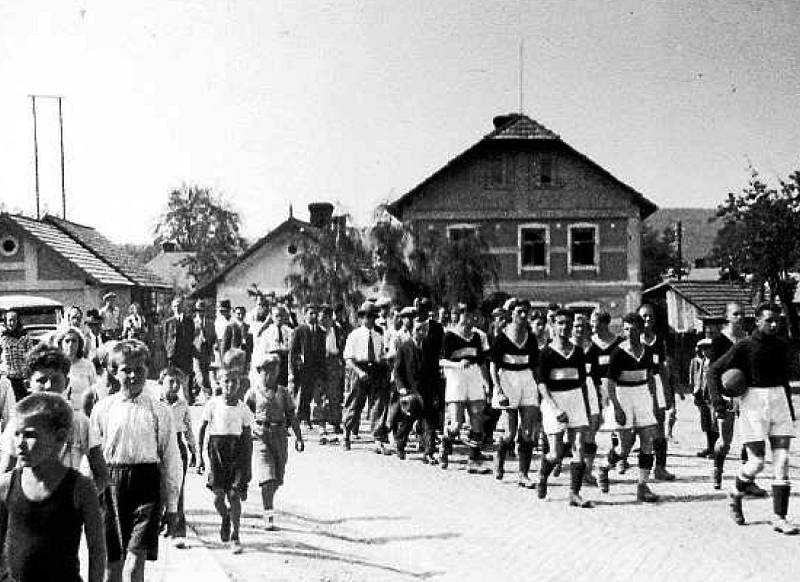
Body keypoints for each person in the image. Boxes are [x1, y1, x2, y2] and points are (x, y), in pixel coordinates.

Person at [89, 339, 182, 582]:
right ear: (113, 371)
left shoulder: (159, 410)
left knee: (135, 564)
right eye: (125, 370)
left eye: (138, 369)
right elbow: (91, 458)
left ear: (148, 370)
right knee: (113, 567)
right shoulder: (102, 409)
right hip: (110, 486)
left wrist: (172, 507)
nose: (132, 376)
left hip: (146, 486)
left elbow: (171, 459)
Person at [707, 303, 798, 534]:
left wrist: (789, 406)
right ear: (757, 321)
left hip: (778, 400)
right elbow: (713, 371)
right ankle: (736, 493)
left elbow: (785, 378)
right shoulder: (745, 346)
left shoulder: (781, 345)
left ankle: (779, 517)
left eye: (777, 320)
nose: (774, 324)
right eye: (769, 320)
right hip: (753, 402)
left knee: (782, 459)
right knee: (756, 462)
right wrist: (718, 402)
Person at [0, 393, 105, 581]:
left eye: (30, 434)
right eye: (17, 434)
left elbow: (97, 550)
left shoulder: (80, 488)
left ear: (60, 437)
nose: (20, 444)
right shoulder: (7, 485)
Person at [0, 344, 108, 493]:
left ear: (67, 383)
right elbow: (6, 471)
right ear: (28, 385)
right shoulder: (17, 422)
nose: (49, 386)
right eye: (41, 380)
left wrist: (83, 501)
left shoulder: (79, 422)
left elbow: (101, 473)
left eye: (56, 380)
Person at [536, 309, 596, 508]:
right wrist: (555, 408)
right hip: (554, 401)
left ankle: (574, 493)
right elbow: (542, 384)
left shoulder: (577, 352)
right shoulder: (546, 352)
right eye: (560, 323)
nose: (565, 327)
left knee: (579, 445)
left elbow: (582, 382)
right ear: (553, 325)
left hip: (575, 399)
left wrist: (586, 408)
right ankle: (543, 476)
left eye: (568, 324)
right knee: (556, 452)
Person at [601, 312, 662, 502]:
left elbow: (650, 377)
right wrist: (617, 407)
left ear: (641, 328)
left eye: (633, 329)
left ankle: (642, 486)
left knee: (647, 440)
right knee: (624, 448)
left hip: (642, 393)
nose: (629, 333)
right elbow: (609, 384)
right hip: (623, 395)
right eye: (626, 329)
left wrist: (654, 402)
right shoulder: (618, 352)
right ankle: (603, 468)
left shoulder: (648, 351)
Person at [197, 349, 253, 553]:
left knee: (234, 496)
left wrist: (247, 468)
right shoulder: (212, 404)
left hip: (236, 455)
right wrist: (200, 457)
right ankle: (225, 518)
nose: (230, 386)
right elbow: (203, 429)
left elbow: (247, 440)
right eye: (226, 381)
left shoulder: (243, 409)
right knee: (218, 497)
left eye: (234, 382)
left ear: (240, 384)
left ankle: (236, 535)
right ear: (219, 382)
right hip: (216, 454)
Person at [244, 353, 303, 531]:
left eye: (274, 371)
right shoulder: (253, 393)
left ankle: (267, 496)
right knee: (267, 477)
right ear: (260, 372)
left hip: (280, 435)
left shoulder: (283, 392)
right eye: (266, 371)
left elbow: (292, 415)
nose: (270, 375)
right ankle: (268, 512)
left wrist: (299, 437)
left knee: (277, 478)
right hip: (260, 435)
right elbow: (245, 415)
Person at [490, 299, 540, 487]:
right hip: (508, 380)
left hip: (527, 379)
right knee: (510, 432)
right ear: (511, 314)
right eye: (519, 312)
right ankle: (499, 457)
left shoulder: (531, 337)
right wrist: (498, 390)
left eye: (525, 312)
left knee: (528, 432)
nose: (523, 315)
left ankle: (523, 474)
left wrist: (539, 387)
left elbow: (535, 365)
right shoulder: (502, 337)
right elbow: (494, 365)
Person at [705, 302, 756, 492]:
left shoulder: (748, 339)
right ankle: (718, 468)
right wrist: (717, 399)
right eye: (735, 314)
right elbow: (713, 371)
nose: (740, 317)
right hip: (726, 395)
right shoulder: (719, 341)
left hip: (745, 394)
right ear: (727, 317)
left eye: (742, 314)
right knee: (725, 442)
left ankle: (747, 480)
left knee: (749, 438)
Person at [439, 303, 491, 474]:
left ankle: (474, 459)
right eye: (466, 315)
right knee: (456, 424)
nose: (470, 319)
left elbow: (482, 362)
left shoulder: (477, 336)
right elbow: (441, 361)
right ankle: (445, 444)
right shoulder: (449, 336)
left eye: (472, 315)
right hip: (456, 379)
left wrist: (486, 382)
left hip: (474, 377)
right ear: (457, 316)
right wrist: (457, 364)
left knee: (477, 416)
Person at [158, 367, 197, 549]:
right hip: (157, 448)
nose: (174, 386)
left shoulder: (183, 405)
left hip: (178, 445)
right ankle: (159, 523)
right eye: (170, 381)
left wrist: (194, 451)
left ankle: (178, 532)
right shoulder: (155, 403)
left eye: (178, 383)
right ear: (161, 382)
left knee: (177, 489)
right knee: (157, 489)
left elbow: (189, 429)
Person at [342, 302, 389, 452]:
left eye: (372, 317)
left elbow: (381, 356)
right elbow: (348, 359)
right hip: (358, 370)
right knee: (354, 404)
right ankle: (346, 435)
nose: (368, 319)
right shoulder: (354, 335)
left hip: (375, 371)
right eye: (365, 316)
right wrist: (359, 372)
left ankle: (378, 439)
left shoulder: (378, 336)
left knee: (377, 405)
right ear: (361, 318)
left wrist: (385, 362)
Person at [638, 304, 675, 481]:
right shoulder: (632, 339)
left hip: (655, 384)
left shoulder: (658, 340)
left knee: (659, 425)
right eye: (644, 316)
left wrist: (668, 394)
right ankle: (616, 460)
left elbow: (661, 367)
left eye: (650, 316)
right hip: (636, 386)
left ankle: (660, 467)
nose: (647, 320)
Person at [585, 310, 621, 487]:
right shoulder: (589, 345)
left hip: (616, 390)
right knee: (593, 429)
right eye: (591, 322)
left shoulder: (619, 344)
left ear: (605, 323)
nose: (592, 325)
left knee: (619, 427)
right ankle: (588, 469)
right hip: (595, 390)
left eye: (595, 322)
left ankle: (615, 458)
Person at [288, 304, 327, 432]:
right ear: (305, 315)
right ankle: (297, 422)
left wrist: (322, 372)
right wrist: (293, 371)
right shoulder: (299, 330)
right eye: (311, 313)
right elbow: (293, 353)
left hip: (316, 371)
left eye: (315, 313)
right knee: (301, 397)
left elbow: (322, 353)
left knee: (313, 396)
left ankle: (310, 420)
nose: (314, 316)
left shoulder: (321, 332)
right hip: (302, 371)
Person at [319, 305, 346, 440]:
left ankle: (336, 423)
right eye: (321, 317)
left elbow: (341, 346)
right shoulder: (317, 331)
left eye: (325, 317)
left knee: (335, 396)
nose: (322, 320)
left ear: (330, 318)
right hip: (322, 363)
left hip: (334, 363)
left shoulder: (337, 329)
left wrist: (340, 363)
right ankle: (321, 426)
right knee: (321, 397)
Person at [163, 297, 196, 403]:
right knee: (172, 377)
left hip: (185, 354)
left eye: (179, 306)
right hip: (173, 354)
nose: (177, 308)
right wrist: (169, 351)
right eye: (175, 306)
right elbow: (165, 338)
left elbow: (191, 336)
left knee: (186, 376)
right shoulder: (168, 322)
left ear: (183, 307)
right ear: (172, 308)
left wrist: (188, 349)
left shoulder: (189, 321)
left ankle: (188, 398)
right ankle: (170, 396)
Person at [57, 327, 97, 412]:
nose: (71, 344)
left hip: (85, 412)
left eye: (74, 341)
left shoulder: (88, 365)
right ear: (60, 344)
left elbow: (94, 390)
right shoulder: (56, 366)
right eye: (67, 341)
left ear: (80, 344)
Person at [0, 310, 38, 401]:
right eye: (9, 320)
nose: (12, 323)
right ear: (5, 321)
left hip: (22, 377)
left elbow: (31, 356)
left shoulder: (25, 337)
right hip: (7, 378)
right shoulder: (2, 338)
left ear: (18, 321)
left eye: (14, 320)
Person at [192, 299, 217, 400]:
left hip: (206, 351)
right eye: (198, 310)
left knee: (205, 373)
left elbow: (213, 338)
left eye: (202, 310)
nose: (200, 313)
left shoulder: (210, 323)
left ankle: (195, 391)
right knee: (199, 373)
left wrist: (212, 352)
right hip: (196, 351)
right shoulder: (192, 322)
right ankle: (208, 392)